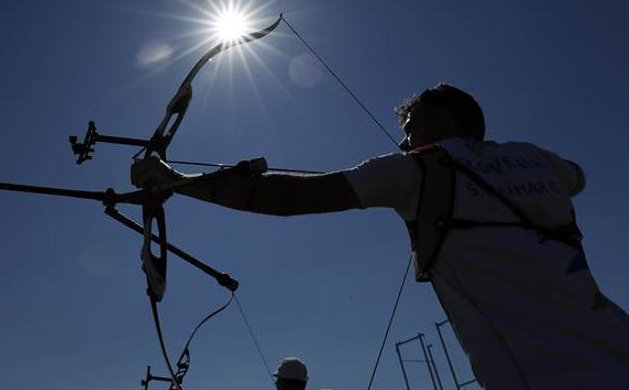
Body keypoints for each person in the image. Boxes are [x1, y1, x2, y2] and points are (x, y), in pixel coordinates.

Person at [132, 83, 629, 389]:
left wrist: (171, 179)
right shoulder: (538, 159)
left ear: (442, 121)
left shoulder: (414, 170)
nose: (403, 140)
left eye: (411, 126)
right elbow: (578, 176)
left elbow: (283, 197)